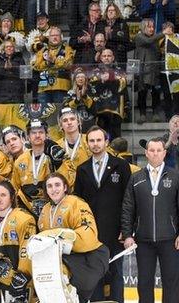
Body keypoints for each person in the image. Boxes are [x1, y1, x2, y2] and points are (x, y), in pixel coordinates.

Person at [74, 126, 131, 302]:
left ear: (106, 142)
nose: (96, 144)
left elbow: (128, 200)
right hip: (91, 233)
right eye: (92, 140)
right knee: (94, 274)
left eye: (99, 140)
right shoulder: (82, 169)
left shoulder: (120, 166)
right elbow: (78, 203)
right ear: (87, 143)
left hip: (115, 231)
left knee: (115, 272)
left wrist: (126, 229)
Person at [121, 136, 179, 303]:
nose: (155, 154)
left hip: (170, 240)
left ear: (164, 152)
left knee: (172, 282)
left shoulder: (175, 177)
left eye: (158, 150)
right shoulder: (136, 178)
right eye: (151, 150)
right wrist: (127, 234)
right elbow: (127, 207)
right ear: (146, 153)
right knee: (144, 282)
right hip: (143, 240)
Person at [38, 173, 110, 303]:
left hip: (90, 256)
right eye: (49, 186)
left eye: (57, 185)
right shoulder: (45, 210)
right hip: (63, 257)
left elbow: (88, 232)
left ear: (65, 187)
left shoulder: (75, 203)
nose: (53, 189)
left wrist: (63, 237)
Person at [11, 119, 67, 217]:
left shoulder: (56, 155)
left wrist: (59, 164)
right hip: (28, 213)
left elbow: (69, 182)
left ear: (47, 135)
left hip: (54, 210)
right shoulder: (20, 161)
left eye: (41, 132)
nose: (37, 135)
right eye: (33, 133)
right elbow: (14, 189)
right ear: (28, 136)